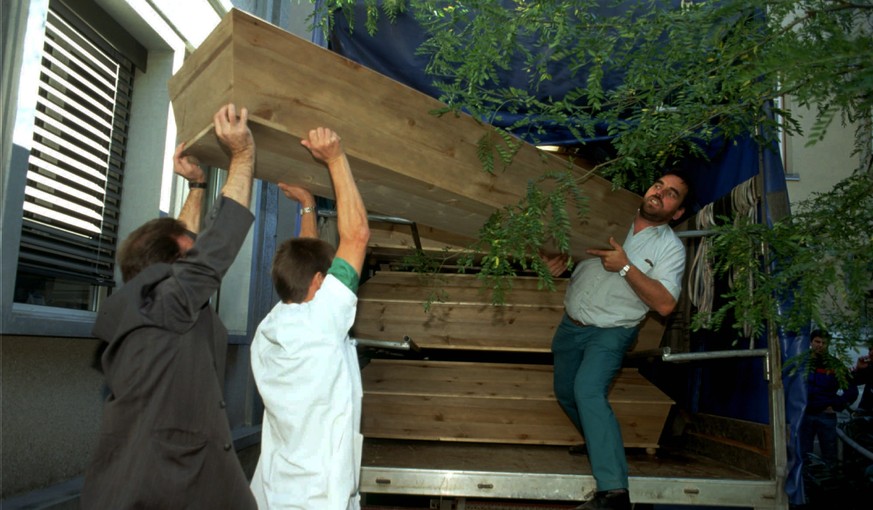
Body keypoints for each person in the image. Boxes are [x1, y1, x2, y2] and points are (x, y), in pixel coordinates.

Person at [81, 104, 258, 510]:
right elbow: (217, 245)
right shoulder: (167, 307)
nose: (195, 260)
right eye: (188, 260)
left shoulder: (146, 306)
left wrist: (197, 187)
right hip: (165, 493)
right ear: (173, 269)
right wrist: (243, 155)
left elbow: (184, 244)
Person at [541, 170, 693, 510]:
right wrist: (558, 263)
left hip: (612, 332)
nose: (660, 193)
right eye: (658, 185)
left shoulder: (670, 249)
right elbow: (574, 253)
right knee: (566, 392)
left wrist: (626, 267)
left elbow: (666, 304)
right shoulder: (606, 215)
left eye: (672, 194)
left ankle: (614, 494)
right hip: (571, 325)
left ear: (677, 212)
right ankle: (600, 442)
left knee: (587, 390)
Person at [249, 127, 370, 509]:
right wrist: (335, 158)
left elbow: (304, 265)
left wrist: (306, 207)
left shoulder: (271, 326)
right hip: (320, 496)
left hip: (277, 486)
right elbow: (357, 236)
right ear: (321, 282)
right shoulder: (323, 324)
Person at [800, 330, 859, 467]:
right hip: (805, 414)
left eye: (824, 343)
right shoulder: (802, 363)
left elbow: (851, 390)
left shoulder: (835, 365)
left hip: (826, 415)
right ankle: (805, 483)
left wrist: (837, 405)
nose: (820, 345)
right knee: (803, 455)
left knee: (830, 455)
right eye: (817, 342)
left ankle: (830, 483)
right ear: (811, 342)